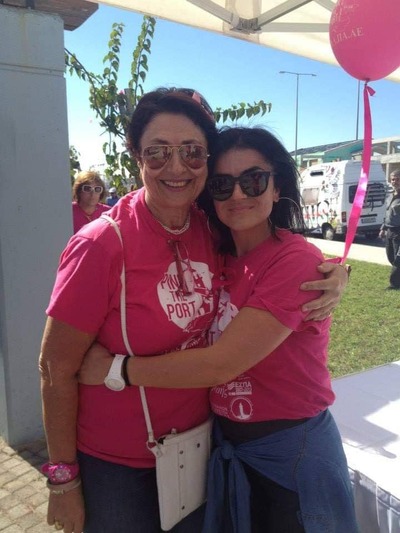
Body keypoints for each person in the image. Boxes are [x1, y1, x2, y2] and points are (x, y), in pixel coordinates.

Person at [39, 88, 349, 533]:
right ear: (136, 156)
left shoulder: (208, 231)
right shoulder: (101, 244)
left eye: (192, 152)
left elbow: (233, 343)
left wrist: (337, 273)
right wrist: (63, 480)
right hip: (121, 465)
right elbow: (54, 367)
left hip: (205, 451)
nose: (176, 167)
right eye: (157, 152)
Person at [379, 169, 400, 289]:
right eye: (393, 179)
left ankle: (394, 284)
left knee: (398, 259)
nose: (395, 182)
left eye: (397, 179)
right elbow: (387, 214)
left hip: (399, 231)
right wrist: (383, 228)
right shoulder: (390, 196)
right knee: (390, 256)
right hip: (389, 231)